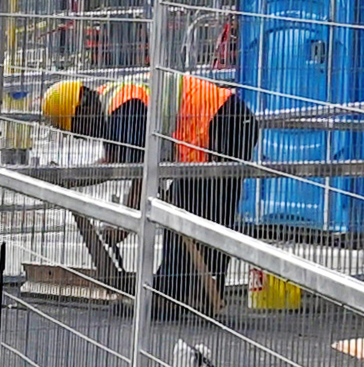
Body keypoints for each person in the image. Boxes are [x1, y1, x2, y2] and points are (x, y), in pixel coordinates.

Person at [37, 66, 258, 310]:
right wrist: (72, 179)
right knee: (199, 211)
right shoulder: (115, 105)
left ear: (83, 110)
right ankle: (195, 294)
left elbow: (142, 172)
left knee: (192, 209)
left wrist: (126, 224)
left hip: (224, 125)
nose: (84, 137)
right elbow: (114, 161)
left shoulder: (123, 107)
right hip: (225, 123)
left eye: (79, 130)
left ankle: (175, 296)